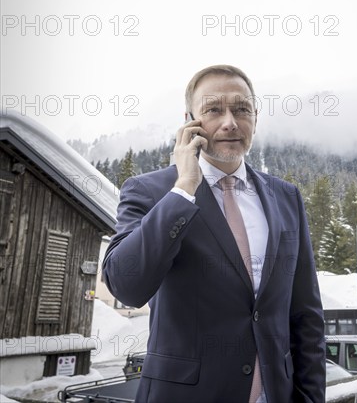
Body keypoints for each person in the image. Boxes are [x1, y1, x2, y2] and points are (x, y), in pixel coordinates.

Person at [102, 65, 326, 403]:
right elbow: (126, 285)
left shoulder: (286, 197)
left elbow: (305, 313)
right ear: (190, 120)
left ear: (255, 118)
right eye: (213, 109)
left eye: (241, 109)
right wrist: (183, 189)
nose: (230, 122)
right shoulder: (149, 191)